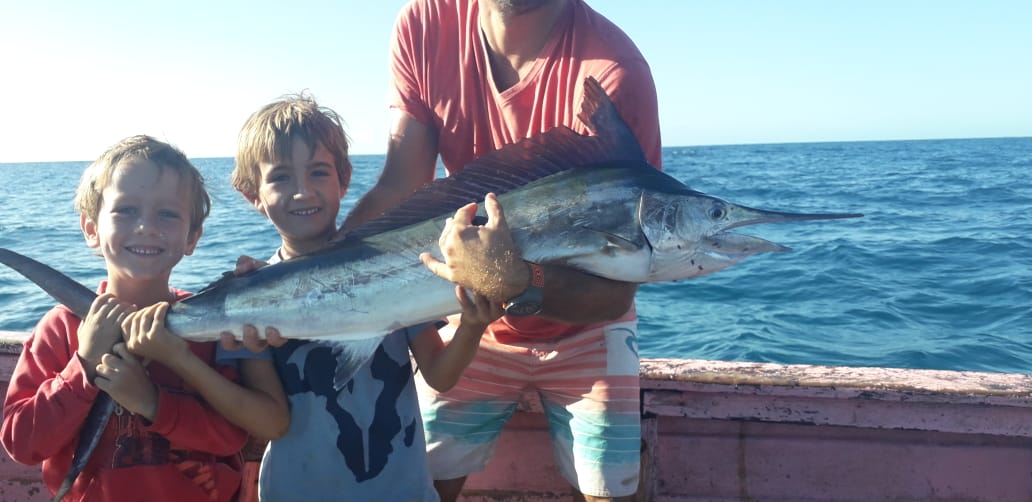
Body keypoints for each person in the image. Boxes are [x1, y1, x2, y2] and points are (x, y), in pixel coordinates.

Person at [340, 1, 662, 500]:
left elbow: (614, 297)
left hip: (589, 332)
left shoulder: (615, 69)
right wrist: (293, 267)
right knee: (415, 485)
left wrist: (520, 281)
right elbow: (399, 187)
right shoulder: (425, 24)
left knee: (613, 490)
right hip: (472, 323)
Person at [224, 93, 505, 501]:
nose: (303, 191)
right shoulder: (250, 296)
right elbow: (269, 420)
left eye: (318, 172)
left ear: (344, 179)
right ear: (252, 194)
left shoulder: (392, 271)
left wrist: (473, 326)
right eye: (280, 177)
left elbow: (440, 375)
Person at [0, 135, 256, 501]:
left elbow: (232, 436)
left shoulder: (209, 327)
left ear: (192, 237)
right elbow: (22, 444)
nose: (146, 226)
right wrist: (84, 366)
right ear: (91, 229)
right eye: (125, 210)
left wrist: (152, 402)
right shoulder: (60, 328)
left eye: (167, 214)